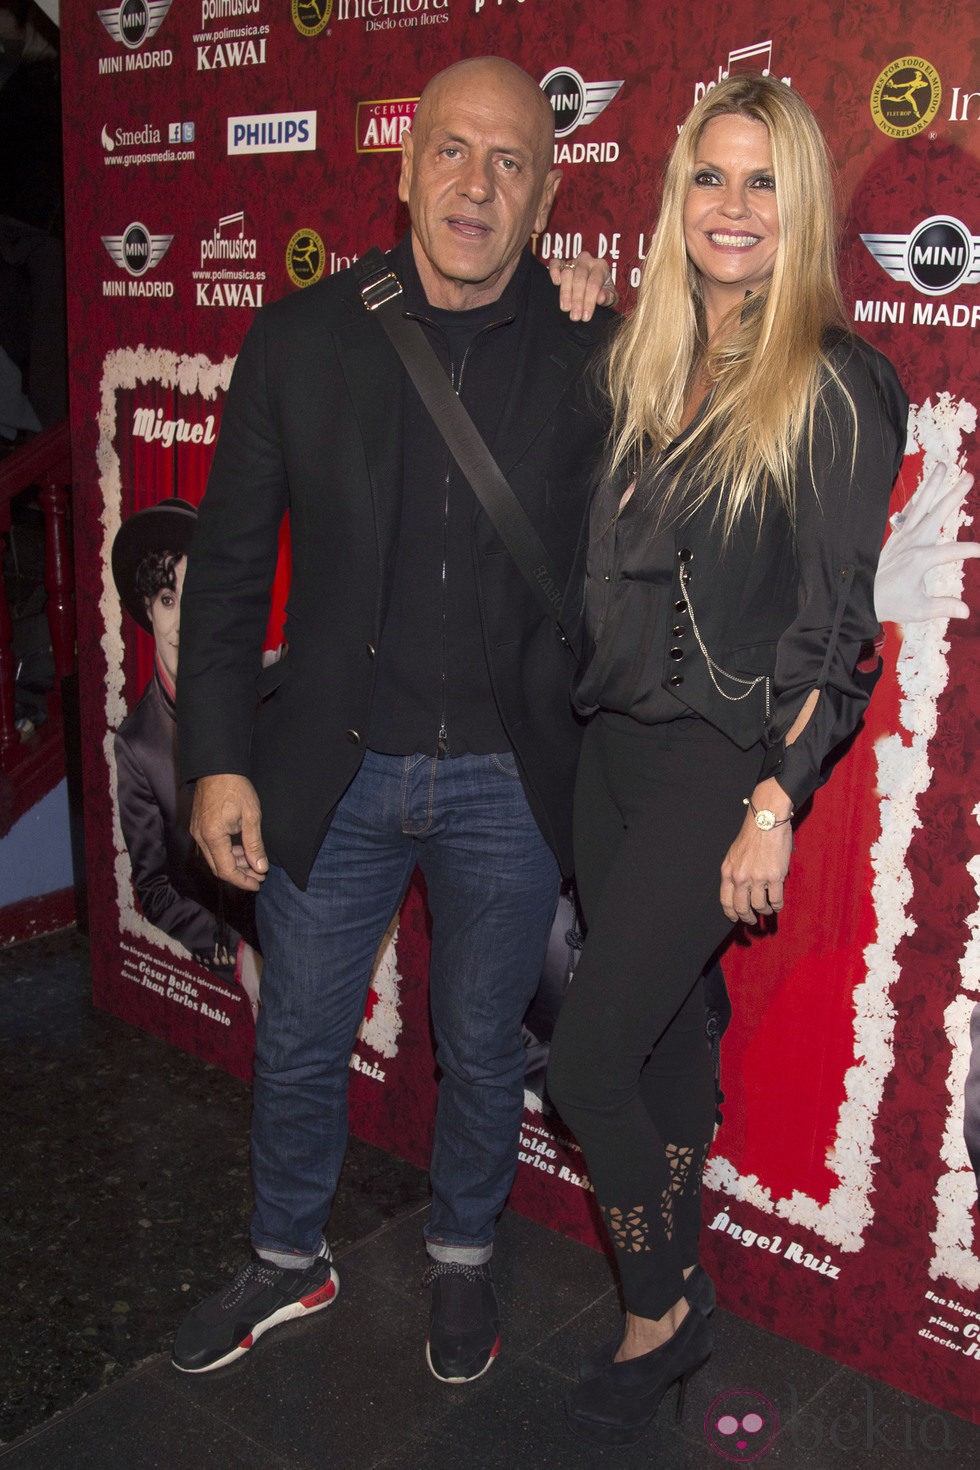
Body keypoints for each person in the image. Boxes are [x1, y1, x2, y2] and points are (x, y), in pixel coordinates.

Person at [172, 57, 617, 1382]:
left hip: (508, 777)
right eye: (453, 151)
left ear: (546, 195)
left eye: (511, 162)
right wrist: (215, 762)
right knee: (301, 1034)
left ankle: (464, 1256)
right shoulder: (300, 339)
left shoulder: (595, 350)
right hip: (333, 763)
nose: (476, 186)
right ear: (408, 163)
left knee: (483, 1045)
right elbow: (228, 572)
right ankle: (286, 1257)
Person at [545, 73, 909, 1446]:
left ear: (798, 203)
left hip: (716, 769)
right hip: (607, 755)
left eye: (763, 180)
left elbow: (839, 631)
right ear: (676, 195)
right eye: (711, 175)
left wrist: (774, 800)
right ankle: (678, 1278)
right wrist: (574, 298)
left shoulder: (832, 380)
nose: (733, 205)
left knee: (585, 1065)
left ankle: (661, 1309)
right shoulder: (643, 359)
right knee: (659, 1044)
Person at [111, 499, 261, 1008]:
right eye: (168, 599)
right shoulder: (138, 745)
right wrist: (238, 959)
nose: (181, 622)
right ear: (148, 608)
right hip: (230, 957)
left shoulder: (263, 692)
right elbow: (154, 890)